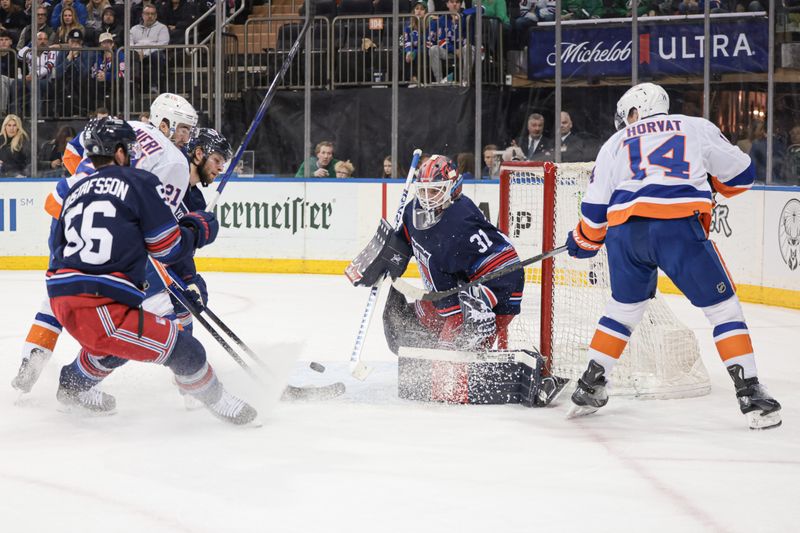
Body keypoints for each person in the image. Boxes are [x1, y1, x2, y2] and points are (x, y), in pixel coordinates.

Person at [565, 82, 781, 430]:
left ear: (635, 112)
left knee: (623, 309)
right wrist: (711, 180)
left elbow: (594, 212)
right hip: (677, 228)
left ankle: (590, 384)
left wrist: (584, 240)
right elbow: (742, 177)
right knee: (723, 309)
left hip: (626, 235)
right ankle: (751, 393)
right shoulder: (695, 126)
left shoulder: (614, 143)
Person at [46, 116, 256, 424]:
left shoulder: (76, 188)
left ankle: (71, 387)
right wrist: (197, 230)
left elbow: (56, 248)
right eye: (129, 148)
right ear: (118, 151)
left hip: (63, 297)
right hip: (100, 306)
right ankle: (221, 401)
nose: (133, 153)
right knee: (185, 348)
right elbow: (166, 247)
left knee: (117, 346)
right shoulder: (138, 181)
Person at [12, 93, 198, 394]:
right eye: (183, 129)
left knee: (57, 290)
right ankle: (189, 384)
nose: (186, 138)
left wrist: (91, 186)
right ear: (165, 122)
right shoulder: (175, 160)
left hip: (68, 209)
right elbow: (160, 218)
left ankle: (29, 363)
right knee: (154, 306)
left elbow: (72, 155)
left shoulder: (116, 126)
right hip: (111, 233)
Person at [354, 155, 526, 354]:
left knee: (457, 351)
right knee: (417, 322)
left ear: (453, 188)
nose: (427, 198)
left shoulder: (457, 224)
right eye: (424, 190)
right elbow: (408, 237)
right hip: (463, 283)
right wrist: (387, 256)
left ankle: (463, 377)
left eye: (435, 190)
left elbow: (452, 298)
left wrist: (464, 317)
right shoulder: (414, 210)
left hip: (498, 284)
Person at [427, 0, 471, 84]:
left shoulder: (466, 18)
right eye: (452, 1)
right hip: (449, 51)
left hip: (463, 49)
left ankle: (465, 81)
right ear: (447, 4)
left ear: (461, 4)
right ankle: (439, 81)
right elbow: (441, 40)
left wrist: (464, 12)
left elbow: (481, 9)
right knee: (433, 49)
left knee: (468, 48)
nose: (454, 4)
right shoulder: (442, 19)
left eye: (457, 2)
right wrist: (454, 50)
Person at [129, 2, 169, 92]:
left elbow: (162, 44)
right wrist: (138, 53)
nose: (150, 16)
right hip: (137, 54)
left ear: (156, 16)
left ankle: (153, 85)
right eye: (147, 14)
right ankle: (134, 85)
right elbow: (129, 44)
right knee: (130, 55)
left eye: (152, 14)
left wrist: (145, 53)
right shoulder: (134, 29)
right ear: (143, 15)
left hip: (153, 54)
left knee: (157, 56)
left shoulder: (162, 28)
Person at [403, 1, 428, 85]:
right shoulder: (408, 26)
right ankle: (411, 80)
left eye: (422, 9)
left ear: (426, 12)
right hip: (413, 50)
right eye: (417, 9)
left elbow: (428, 43)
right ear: (413, 11)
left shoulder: (430, 25)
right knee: (403, 54)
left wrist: (414, 53)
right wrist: (409, 52)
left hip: (425, 50)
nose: (419, 11)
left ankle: (420, 80)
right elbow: (407, 41)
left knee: (419, 54)